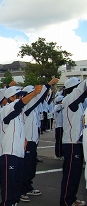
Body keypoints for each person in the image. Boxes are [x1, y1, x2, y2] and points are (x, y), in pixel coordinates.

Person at [0, 85, 42, 206]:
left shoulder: (18, 114)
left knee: (17, 183)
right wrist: (34, 93)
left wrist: (23, 138)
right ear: (11, 98)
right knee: (9, 184)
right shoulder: (7, 109)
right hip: (9, 152)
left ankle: (14, 203)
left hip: (18, 153)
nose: (21, 98)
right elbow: (18, 106)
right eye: (19, 96)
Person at [60, 77, 86, 206]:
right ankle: (66, 201)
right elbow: (83, 88)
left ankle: (71, 198)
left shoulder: (78, 102)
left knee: (75, 174)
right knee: (70, 175)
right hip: (71, 143)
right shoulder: (70, 99)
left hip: (77, 143)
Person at [54, 95, 64, 160]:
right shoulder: (57, 107)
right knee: (59, 141)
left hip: (62, 126)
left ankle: (60, 153)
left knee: (61, 141)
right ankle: (58, 154)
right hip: (59, 126)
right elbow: (58, 108)